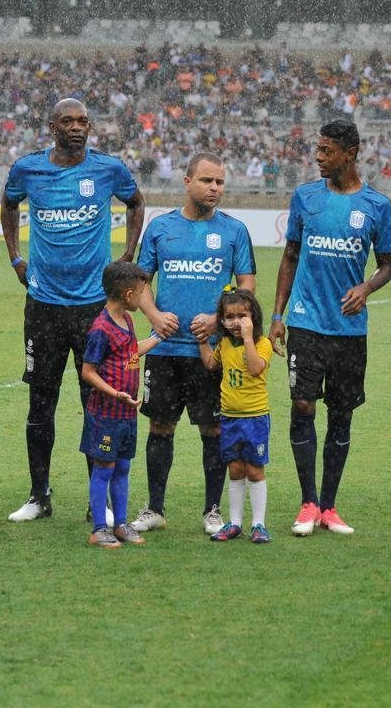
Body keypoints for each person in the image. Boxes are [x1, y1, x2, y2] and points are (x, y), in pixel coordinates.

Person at [2, 98, 152, 522]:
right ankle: (38, 495)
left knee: (97, 403)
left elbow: (136, 202)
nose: (76, 127)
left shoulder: (108, 168)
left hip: (93, 309)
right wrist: (16, 257)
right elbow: (9, 203)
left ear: (90, 126)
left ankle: (97, 497)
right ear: (52, 126)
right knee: (41, 402)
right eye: (67, 121)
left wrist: (127, 253)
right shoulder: (28, 169)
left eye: (83, 121)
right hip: (44, 305)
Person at [270, 118, 391, 536]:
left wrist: (366, 286)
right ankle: (307, 503)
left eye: (327, 150)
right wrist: (276, 316)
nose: (319, 157)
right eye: (318, 149)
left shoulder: (377, 206)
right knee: (303, 407)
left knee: (341, 415)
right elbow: (289, 256)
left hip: (349, 331)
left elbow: (387, 266)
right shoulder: (305, 197)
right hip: (306, 324)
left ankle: (329, 506)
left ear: (351, 152)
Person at [129, 152, 255, 536]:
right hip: (166, 350)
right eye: (207, 181)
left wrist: (219, 319)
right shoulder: (160, 227)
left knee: (212, 431)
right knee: (160, 428)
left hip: (212, 353)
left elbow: (247, 287)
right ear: (187, 182)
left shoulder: (234, 231)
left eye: (219, 182)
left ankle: (212, 510)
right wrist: (153, 316)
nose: (214, 188)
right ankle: (154, 508)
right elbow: (140, 281)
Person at [79, 262, 160, 549]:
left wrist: (158, 337)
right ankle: (99, 528)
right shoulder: (101, 328)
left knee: (122, 466)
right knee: (104, 468)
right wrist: (115, 393)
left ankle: (121, 523)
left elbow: (130, 353)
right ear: (127, 294)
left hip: (127, 412)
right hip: (106, 413)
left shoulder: (127, 319)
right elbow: (88, 371)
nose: (142, 298)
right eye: (141, 293)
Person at [197, 287, 273, 543]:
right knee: (236, 469)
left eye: (243, 315)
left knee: (254, 470)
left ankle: (259, 524)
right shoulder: (225, 343)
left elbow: (254, 368)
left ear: (254, 317)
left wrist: (250, 339)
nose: (236, 322)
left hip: (255, 418)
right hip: (229, 418)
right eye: (229, 317)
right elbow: (211, 364)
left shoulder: (262, 343)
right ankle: (235, 523)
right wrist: (201, 341)